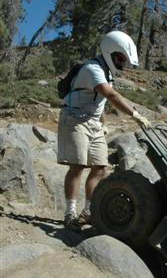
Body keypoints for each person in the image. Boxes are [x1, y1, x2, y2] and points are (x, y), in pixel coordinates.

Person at [57, 30, 151, 231]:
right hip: (74, 119)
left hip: (93, 123)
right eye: (119, 58)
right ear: (110, 52)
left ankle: (89, 211)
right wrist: (135, 114)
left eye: (123, 59)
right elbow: (109, 95)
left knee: (100, 167)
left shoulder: (107, 72)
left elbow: (98, 103)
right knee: (78, 166)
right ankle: (69, 213)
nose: (121, 63)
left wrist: (103, 122)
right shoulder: (93, 69)